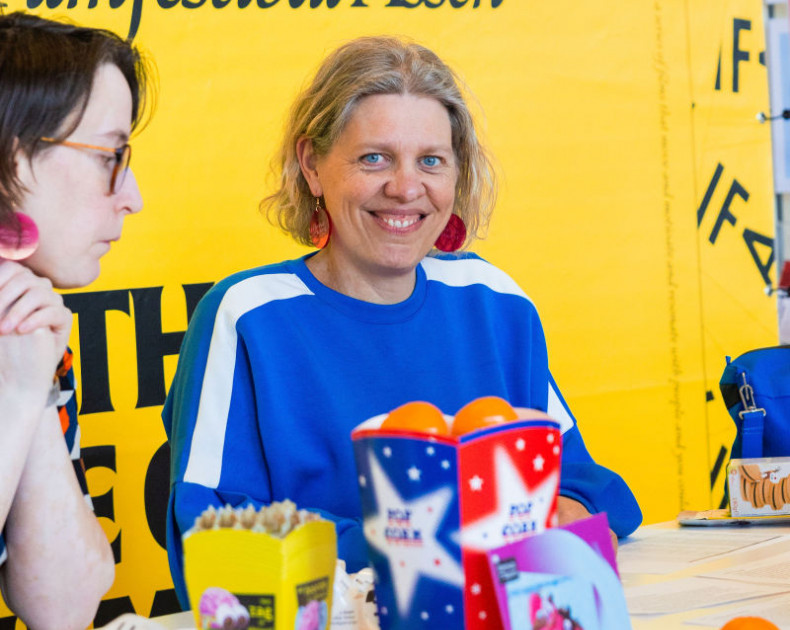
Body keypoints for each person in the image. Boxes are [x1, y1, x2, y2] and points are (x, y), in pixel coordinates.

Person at [163, 35, 642, 609]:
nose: (406, 188)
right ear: (312, 165)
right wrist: (428, 549)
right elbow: (209, 531)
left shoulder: (493, 301)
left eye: (431, 161)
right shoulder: (248, 316)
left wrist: (567, 513)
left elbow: (587, 486)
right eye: (375, 158)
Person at [0, 12, 150, 629]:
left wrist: (30, 392)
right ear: (14, 158)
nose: (133, 196)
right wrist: (15, 397)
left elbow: (62, 608)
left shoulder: (28, 325)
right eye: (109, 155)